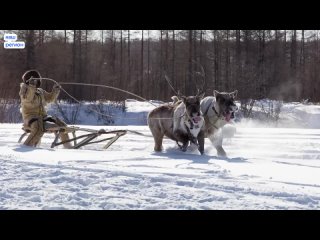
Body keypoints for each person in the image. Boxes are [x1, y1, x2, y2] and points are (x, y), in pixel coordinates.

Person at [19, 69, 72, 148]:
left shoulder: (40, 91)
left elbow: (50, 99)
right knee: (38, 128)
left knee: (62, 125)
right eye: (35, 80)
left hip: (43, 117)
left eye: (37, 80)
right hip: (30, 118)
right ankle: (26, 147)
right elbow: (28, 99)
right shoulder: (24, 91)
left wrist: (55, 90)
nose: (37, 82)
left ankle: (68, 147)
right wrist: (31, 87)